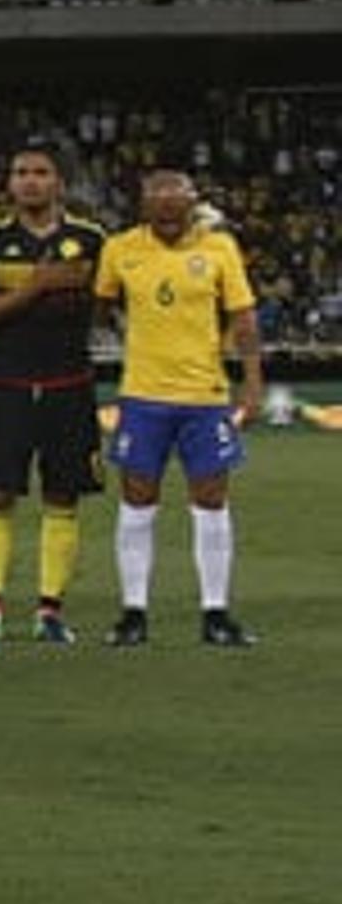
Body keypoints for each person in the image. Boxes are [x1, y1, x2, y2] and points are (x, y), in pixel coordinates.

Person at [94, 169, 263, 649]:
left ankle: (215, 612)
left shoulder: (219, 248)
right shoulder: (121, 249)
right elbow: (101, 304)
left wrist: (251, 382)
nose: (168, 214)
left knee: (211, 500)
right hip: (143, 395)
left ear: (192, 205)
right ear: (144, 207)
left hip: (204, 397)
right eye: (158, 205)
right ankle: (133, 613)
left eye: (177, 205)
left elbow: (244, 318)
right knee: (137, 499)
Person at [0, 144, 109, 644]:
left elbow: (108, 305)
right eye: (21, 172)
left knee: (62, 496)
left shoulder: (90, 239)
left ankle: (49, 611)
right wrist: (37, 287)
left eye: (40, 173)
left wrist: (79, 294)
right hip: (10, 385)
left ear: (60, 183)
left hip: (71, 385)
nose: (30, 181)